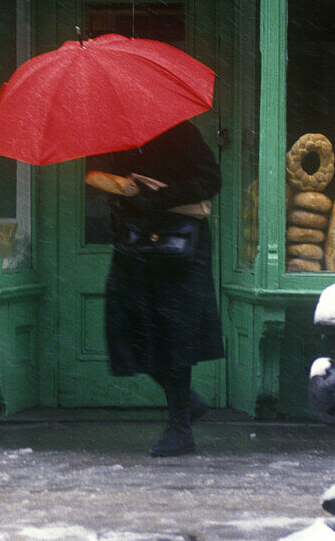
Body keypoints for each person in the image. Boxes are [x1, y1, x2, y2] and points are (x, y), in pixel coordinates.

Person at [100, 120, 224, 457]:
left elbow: (211, 180)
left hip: (178, 244)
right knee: (124, 325)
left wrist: (160, 196)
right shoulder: (117, 137)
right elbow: (121, 186)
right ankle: (186, 403)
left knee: (174, 331)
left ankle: (180, 426)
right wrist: (123, 193)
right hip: (135, 241)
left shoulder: (180, 131)